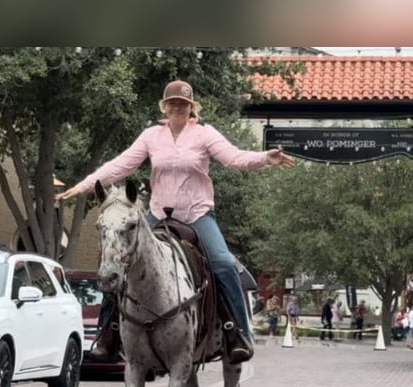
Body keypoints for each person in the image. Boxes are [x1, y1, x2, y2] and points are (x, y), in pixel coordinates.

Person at [56, 79, 295, 364]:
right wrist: (84, 185)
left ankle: (237, 333)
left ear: (191, 107)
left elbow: (234, 158)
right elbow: (121, 164)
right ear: (164, 106)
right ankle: (108, 334)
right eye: (172, 103)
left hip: (196, 216)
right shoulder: (151, 136)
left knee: (223, 263)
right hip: (158, 215)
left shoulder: (204, 134)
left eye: (183, 104)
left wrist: (265, 158)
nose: (177, 108)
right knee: (118, 260)